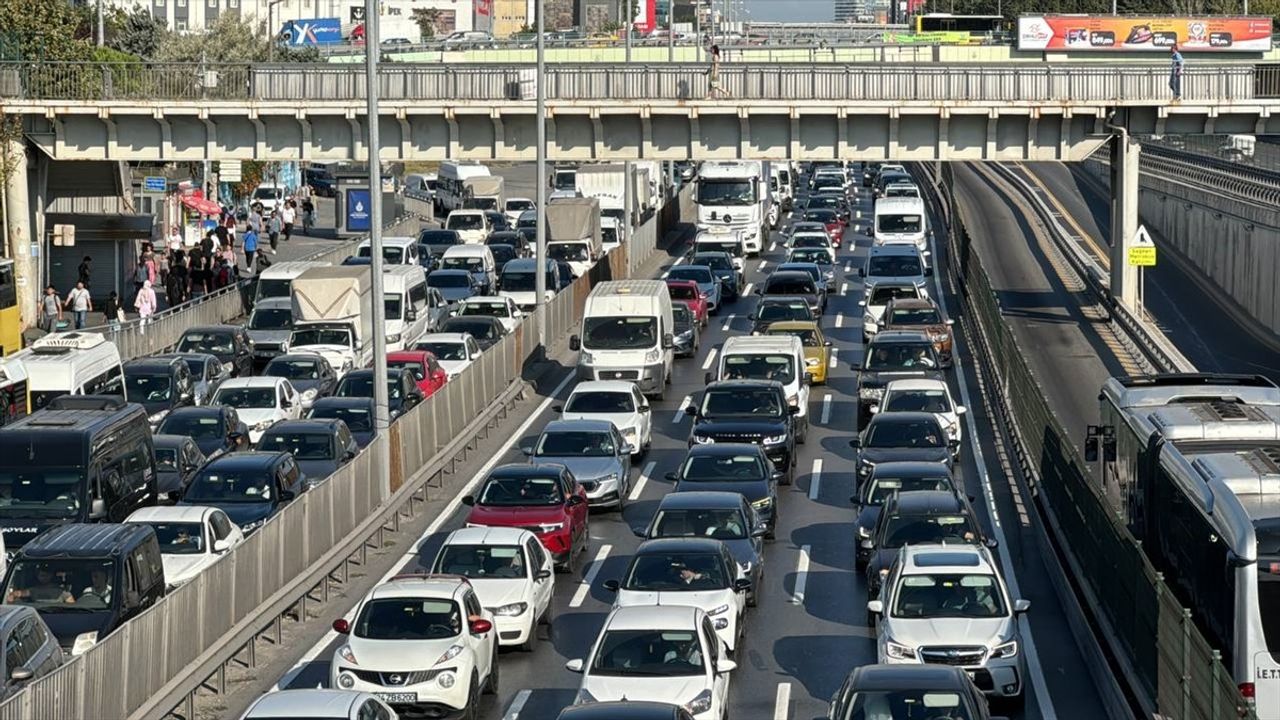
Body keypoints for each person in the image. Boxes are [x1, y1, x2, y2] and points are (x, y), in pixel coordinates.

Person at [7, 566, 74, 604]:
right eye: (41, 575)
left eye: (46, 575)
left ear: (51, 576)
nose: (43, 577)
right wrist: (12, 596)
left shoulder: (62, 592)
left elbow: (72, 610)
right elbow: (17, 594)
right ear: (37, 576)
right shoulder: (33, 590)